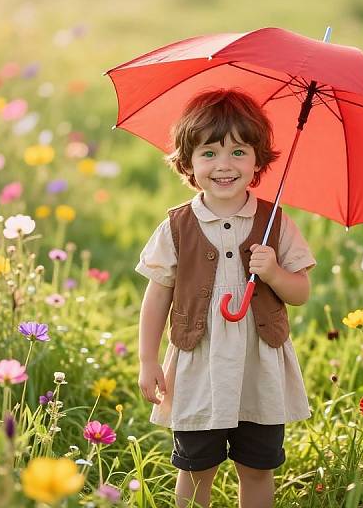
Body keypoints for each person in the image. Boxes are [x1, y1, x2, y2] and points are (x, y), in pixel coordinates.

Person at [135, 88, 317, 508]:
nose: (223, 165)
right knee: (196, 466)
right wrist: (148, 359)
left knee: (257, 467)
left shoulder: (274, 222)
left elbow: (301, 292)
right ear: (188, 161)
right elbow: (157, 294)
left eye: (238, 152)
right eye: (209, 152)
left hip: (258, 368)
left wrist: (274, 273)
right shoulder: (177, 226)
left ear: (258, 161)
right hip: (200, 366)